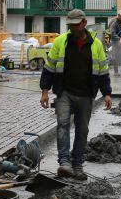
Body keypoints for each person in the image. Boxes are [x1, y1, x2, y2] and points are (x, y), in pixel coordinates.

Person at [40, 9, 112, 180]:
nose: (73, 29)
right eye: (70, 26)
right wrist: (45, 91)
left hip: (86, 95)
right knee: (62, 125)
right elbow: (49, 67)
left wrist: (107, 93)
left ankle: (77, 165)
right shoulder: (60, 42)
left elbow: (103, 71)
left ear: (84, 23)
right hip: (65, 92)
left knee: (82, 130)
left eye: (76, 25)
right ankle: (64, 163)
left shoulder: (96, 45)